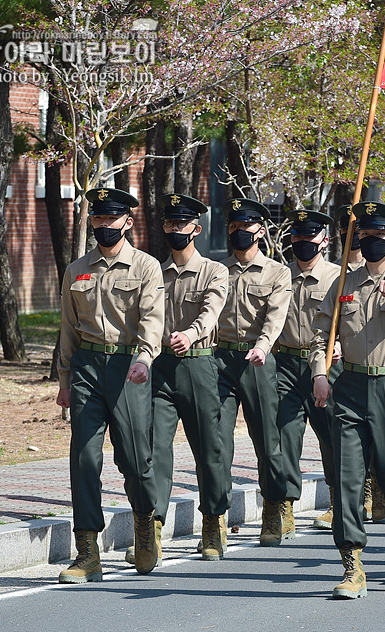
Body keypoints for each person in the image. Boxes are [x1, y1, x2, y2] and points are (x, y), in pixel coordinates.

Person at [309, 201, 385, 599]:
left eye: (380, 235)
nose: (372, 241)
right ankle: (351, 564)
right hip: (351, 386)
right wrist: (321, 373)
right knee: (347, 478)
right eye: (366, 235)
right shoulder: (343, 283)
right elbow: (320, 335)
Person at [56, 187, 164, 583]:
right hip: (86, 367)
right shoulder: (76, 270)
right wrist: (65, 380)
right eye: (97, 218)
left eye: (111, 218)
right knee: (84, 458)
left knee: (136, 461)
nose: (103, 225)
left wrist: (144, 357)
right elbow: (67, 329)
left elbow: (153, 318)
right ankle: (87, 551)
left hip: (128, 367)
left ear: (128, 222)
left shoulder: (146, 267)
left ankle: (144, 521)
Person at [143, 194, 229, 564]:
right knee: (156, 449)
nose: (176, 230)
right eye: (170, 223)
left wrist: (191, 334)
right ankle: (154, 527)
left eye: (183, 224)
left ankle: (212, 522)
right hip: (161, 366)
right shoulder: (153, 272)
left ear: (197, 228)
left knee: (209, 449)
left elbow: (211, 311)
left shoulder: (215, 271)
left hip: (199, 365)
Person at [216, 198, 293, 546]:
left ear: (260, 231)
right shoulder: (218, 270)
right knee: (217, 442)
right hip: (220, 361)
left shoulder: (278, 272)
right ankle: (215, 517)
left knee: (267, 441)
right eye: (233, 227)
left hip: (258, 360)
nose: (238, 233)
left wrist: (262, 345)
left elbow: (276, 317)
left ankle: (274, 510)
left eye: (244, 228)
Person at [276, 209, 341, 530]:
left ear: (324, 240)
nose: (303, 241)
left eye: (310, 236)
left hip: (327, 366)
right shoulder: (280, 276)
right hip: (285, 363)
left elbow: (352, 320)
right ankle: (286, 507)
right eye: (297, 236)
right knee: (286, 434)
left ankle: (337, 499)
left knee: (331, 436)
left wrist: (341, 343)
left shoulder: (338, 277)